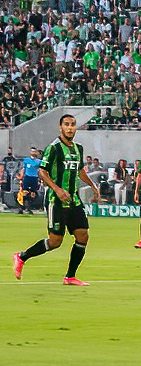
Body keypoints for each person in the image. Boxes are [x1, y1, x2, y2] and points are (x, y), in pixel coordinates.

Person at [12, 114, 100, 285]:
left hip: (73, 200)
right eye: (66, 124)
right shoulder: (53, 148)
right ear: (60, 127)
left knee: (82, 235)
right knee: (55, 241)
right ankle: (22, 256)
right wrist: (58, 189)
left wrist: (92, 186)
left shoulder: (78, 149)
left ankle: (70, 276)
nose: (70, 127)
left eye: (73, 124)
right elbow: (42, 172)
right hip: (56, 200)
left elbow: (79, 170)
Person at [19, 147, 41, 214]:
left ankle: (29, 208)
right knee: (24, 193)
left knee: (32, 194)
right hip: (27, 177)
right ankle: (22, 208)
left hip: (34, 178)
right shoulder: (26, 160)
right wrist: (21, 178)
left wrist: (40, 179)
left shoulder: (39, 161)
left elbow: (40, 171)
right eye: (32, 151)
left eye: (34, 151)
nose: (33, 153)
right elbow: (23, 169)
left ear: (36, 152)